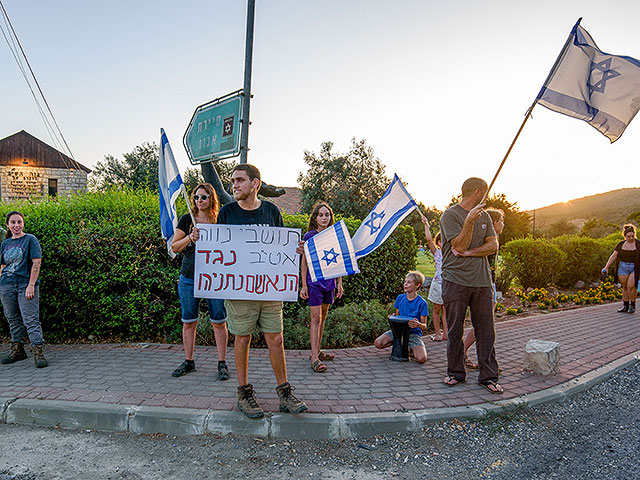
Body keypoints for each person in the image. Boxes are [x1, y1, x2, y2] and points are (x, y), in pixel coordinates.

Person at [217, 164, 307, 419]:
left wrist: (295, 250)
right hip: (239, 292)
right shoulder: (227, 212)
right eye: (233, 181)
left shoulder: (271, 210)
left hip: (269, 290)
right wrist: (200, 240)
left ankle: (284, 393)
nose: (234, 185)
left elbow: (281, 247)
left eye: (240, 180)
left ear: (255, 183)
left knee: (276, 339)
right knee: (242, 339)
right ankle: (244, 394)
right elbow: (218, 250)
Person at [440, 177, 502, 394]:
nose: (486, 198)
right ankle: (455, 373)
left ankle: (489, 376)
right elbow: (458, 244)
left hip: (482, 281)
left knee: (486, 330)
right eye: (485, 194)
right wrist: (468, 222)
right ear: (478, 193)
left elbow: (493, 245)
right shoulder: (450, 215)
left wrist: (471, 253)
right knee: (455, 329)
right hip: (455, 280)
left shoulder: (485, 216)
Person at [170, 183, 229, 380]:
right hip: (189, 277)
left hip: (215, 279)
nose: (199, 201)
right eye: (196, 197)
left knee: (219, 321)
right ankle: (188, 361)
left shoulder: (220, 220)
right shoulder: (187, 219)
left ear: (211, 198)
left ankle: (222, 363)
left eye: (204, 197)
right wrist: (190, 237)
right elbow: (174, 247)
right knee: (189, 321)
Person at [300, 201, 344, 373]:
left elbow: (339, 261)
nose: (324, 218)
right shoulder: (309, 237)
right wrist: (304, 284)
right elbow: (304, 262)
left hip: (329, 283)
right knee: (315, 318)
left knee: (323, 317)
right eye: (321, 215)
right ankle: (314, 357)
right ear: (315, 218)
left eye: (327, 215)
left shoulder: (334, 236)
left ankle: (318, 350)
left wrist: (339, 283)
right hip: (314, 283)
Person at [0, 211, 47, 368]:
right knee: (12, 319)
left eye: (19, 222)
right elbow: (2, 265)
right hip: (6, 285)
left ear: (23, 223)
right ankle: (18, 350)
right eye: (13, 222)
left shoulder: (30, 240)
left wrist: (31, 285)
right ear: (8, 225)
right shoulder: (5, 244)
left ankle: (38, 351)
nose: (16, 225)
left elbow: (36, 263)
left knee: (30, 319)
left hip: (25, 285)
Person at [461, 207, 505, 369]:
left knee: (486, 324)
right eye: (501, 221)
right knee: (484, 324)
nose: (503, 224)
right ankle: (465, 353)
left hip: (489, 283)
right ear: (494, 222)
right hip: (483, 283)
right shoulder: (487, 239)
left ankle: (485, 359)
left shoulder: (493, 238)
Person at [374, 271, 429, 364]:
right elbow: (398, 317)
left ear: (417, 285)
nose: (405, 284)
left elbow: (424, 326)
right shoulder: (400, 298)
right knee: (378, 343)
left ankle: (409, 348)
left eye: (409, 282)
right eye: (405, 282)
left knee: (421, 359)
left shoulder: (422, 303)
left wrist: (418, 324)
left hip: (413, 334)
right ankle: (400, 345)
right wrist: (393, 318)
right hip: (398, 332)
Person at [603, 224, 640, 313]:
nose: (631, 238)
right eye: (628, 236)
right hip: (623, 267)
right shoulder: (621, 244)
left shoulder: (638, 244)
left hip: (634, 267)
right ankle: (625, 306)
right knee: (625, 287)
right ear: (624, 236)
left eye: (632, 236)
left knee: (631, 286)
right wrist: (606, 267)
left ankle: (633, 305)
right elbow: (613, 256)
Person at [422, 216, 447, 342]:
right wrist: (426, 224)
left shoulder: (453, 253)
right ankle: (438, 333)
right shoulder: (437, 253)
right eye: (441, 241)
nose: (443, 243)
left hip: (449, 285)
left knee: (446, 311)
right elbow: (428, 239)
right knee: (436, 310)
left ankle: (446, 334)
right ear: (438, 243)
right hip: (438, 284)